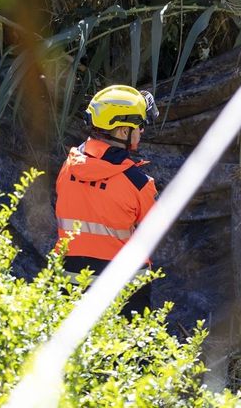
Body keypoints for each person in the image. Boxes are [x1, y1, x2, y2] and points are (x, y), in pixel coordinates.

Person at [55, 84, 159, 315]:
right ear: (123, 131)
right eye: (139, 125)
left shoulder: (68, 168)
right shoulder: (138, 183)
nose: (142, 131)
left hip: (69, 284)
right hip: (122, 290)